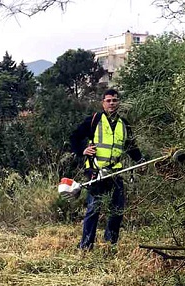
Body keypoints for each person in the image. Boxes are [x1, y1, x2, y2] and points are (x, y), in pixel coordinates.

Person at [70, 88, 145, 250]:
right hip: (96, 172)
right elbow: (74, 137)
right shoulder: (94, 120)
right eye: (108, 100)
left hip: (115, 173)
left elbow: (131, 146)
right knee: (93, 209)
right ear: (103, 103)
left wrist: (140, 160)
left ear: (119, 102)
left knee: (117, 210)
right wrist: (83, 149)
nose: (112, 103)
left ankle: (111, 244)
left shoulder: (124, 124)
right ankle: (86, 245)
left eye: (115, 100)